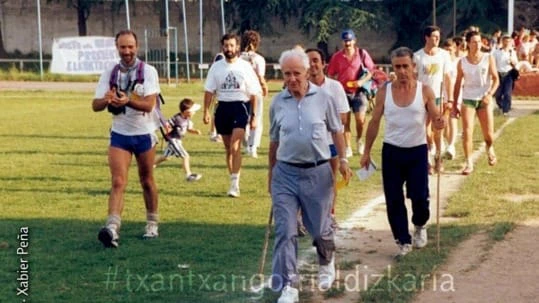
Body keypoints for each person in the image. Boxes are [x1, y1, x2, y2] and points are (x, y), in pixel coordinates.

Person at [269, 48, 352, 302]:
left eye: (296, 73)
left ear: (307, 72)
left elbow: (337, 131)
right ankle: (289, 286)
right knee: (285, 230)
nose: (292, 79)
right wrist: (270, 174)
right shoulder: (277, 103)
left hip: (317, 172)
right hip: (285, 173)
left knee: (319, 230)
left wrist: (344, 158)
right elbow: (274, 142)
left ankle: (326, 260)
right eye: (286, 74)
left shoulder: (324, 98)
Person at [360, 47, 447, 258]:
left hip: (417, 151)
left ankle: (419, 225)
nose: (402, 71)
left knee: (419, 196)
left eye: (405, 66)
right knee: (393, 198)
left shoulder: (425, 90)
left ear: (413, 67)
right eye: (397, 67)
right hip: (392, 151)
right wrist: (366, 151)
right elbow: (374, 122)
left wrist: (439, 121)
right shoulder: (384, 91)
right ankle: (403, 240)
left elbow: (436, 117)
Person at [92, 29, 161, 248]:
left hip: (144, 133)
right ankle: (112, 228)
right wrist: (107, 99)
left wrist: (126, 101)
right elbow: (95, 105)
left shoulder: (148, 71)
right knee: (118, 181)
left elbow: (149, 105)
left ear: (137, 47)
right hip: (120, 134)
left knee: (147, 181)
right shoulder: (110, 71)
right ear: (117, 48)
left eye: (130, 47)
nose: (127, 51)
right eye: (123, 47)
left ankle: (152, 223)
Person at [202, 33, 262, 197]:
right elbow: (209, 90)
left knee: (236, 146)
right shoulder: (216, 67)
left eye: (232, 45)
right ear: (223, 47)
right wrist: (206, 111)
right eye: (226, 45)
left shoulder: (245, 67)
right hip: (223, 108)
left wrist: (254, 116)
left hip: (240, 107)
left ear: (237, 47)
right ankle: (232, 178)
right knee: (229, 149)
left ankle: (235, 185)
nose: (229, 48)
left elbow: (254, 93)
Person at [306, 47, 350, 226]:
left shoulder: (335, 87)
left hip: (330, 141)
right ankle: (303, 217)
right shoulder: (301, 87)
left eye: (315, 60)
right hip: (307, 143)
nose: (312, 64)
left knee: (329, 180)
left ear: (323, 63)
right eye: (308, 61)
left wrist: (321, 119)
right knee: (306, 181)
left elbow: (344, 117)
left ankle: (330, 214)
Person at [453, 30, 500, 175]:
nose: (478, 44)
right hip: (468, 99)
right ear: (468, 43)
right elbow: (457, 83)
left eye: (479, 41)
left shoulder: (488, 58)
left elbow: (496, 79)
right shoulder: (462, 62)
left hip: (484, 98)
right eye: (474, 42)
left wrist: (490, 95)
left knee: (489, 135)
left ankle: (489, 147)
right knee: (467, 132)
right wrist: (454, 104)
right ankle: (468, 163)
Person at [327, 29, 375, 158]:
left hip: (359, 92)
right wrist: (335, 87)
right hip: (343, 92)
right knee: (345, 122)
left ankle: (359, 140)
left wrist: (362, 81)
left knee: (360, 120)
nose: (348, 43)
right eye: (345, 41)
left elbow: (371, 70)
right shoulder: (337, 56)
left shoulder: (361, 54)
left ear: (354, 41)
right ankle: (347, 146)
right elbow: (330, 74)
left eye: (350, 40)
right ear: (342, 42)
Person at [413, 25, 453, 173]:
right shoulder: (418, 56)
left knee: (438, 130)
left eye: (438, 37)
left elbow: (448, 78)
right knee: (425, 131)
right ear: (426, 38)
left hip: (438, 97)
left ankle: (438, 159)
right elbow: (414, 78)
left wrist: (450, 100)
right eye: (434, 37)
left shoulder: (444, 55)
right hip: (422, 98)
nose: (437, 39)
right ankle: (429, 155)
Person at [154, 98, 203, 181]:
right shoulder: (176, 118)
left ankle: (148, 168)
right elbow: (166, 125)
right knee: (185, 156)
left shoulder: (187, 119)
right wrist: (166, 133)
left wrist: (195, 131)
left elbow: (189, 128)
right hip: (174, 140)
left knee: (165, 157)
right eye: (193, 111)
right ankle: (188, 175)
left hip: (178, 140)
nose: (194, 113)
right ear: (186, 111)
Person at [240, 30, 269, 158]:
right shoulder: (258, 59)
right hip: (255, 91)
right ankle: (253, 147)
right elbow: (260, 76)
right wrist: (265, 87)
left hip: (240, 91)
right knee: (256, 118)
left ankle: (246, 144)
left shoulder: (238, 58)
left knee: (242, 119)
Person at [441, 38, 461, 160]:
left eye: (450, 49)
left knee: (453, 119)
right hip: (442, 95)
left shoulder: (458, 62)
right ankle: (446, 143)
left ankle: (451, 145)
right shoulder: (441, 62)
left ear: (455, 49)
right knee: (444, 122)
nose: (448, 51)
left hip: (455, 95)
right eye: (446, 49)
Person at [493, 33, 519, 115]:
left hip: (509, 74)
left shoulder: (512, 52)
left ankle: (506, 110)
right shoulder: (496, 52)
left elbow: (516, 64)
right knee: (498, 95)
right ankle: (501, 105)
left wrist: (512, 62)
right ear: (502, 41)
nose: (507, 43)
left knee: (507, 93)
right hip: (499, 74)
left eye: (508, 41)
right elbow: (493, 63)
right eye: (505, 41)